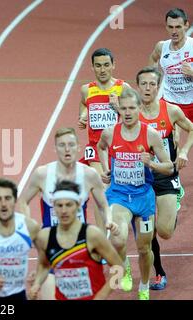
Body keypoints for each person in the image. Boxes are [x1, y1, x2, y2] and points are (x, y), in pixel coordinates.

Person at [16, 127, 118, 300]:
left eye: (71, 144)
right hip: (53, 246)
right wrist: (31, 228)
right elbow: (23, 201)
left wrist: (109, 221)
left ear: (78, 147)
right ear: (55, 148)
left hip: (81, 245)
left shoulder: (89, 174)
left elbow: (103, 205)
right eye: (62, 145)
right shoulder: (42, 174)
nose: (67, 149)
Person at [97, 88, 174, 300]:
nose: (128, 112)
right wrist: (105, 169)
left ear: (139, 108)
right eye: (124, 108)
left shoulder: (150, 135)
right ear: (118, 109)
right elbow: (101, 147)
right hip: (119, 195)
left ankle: (144, 284)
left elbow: (169, 167)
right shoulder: (110, 132)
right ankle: (125, 267)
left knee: (144, 248)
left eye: (132, 108)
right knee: (118, 240)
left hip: (143, 199)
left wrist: (152, 164)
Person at [136, 66, 193, 290]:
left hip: (165, 174)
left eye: (152, 84)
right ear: (138, 86)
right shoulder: (131, 112)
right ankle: (159, 273)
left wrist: (183, 151)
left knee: (165, 232)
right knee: (147, 231)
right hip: (140, 178)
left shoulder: (170, 111)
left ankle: (177, 193)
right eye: (144, 84)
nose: (148, 88)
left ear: (158, 86)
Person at [29, 180, 123, 300]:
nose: (64, 211)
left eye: (69, 205)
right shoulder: (45, 237)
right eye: (59, 205)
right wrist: (37, 283)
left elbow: (119, 268)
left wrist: (101, 296)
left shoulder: (92, 235)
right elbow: (44, 265)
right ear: (53, 206)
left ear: (78, 205)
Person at [78, 48, 133, 231]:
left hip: (120, 148)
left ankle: (124, 225)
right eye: (98, 66)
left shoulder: (123, 88)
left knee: (123, 192)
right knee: (100, 190)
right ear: (92, 67)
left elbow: (135, 118)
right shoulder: (86, 89)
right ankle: (102, 238)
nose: (102, 70)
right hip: (95, 148)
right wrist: (83, 116)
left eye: (106, 65)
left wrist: (118, 108)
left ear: (113, 65)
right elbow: (84, 106)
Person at [148, 8, 193, 209]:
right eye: (170, 27)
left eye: (178, 27)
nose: (174, 31)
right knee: (169, 143)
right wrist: (153, 80)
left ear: (186, 25)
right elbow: (152, 60)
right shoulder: (162, 46)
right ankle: (175, 184)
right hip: (171, 102)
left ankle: (184, 152)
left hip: (191, 102)